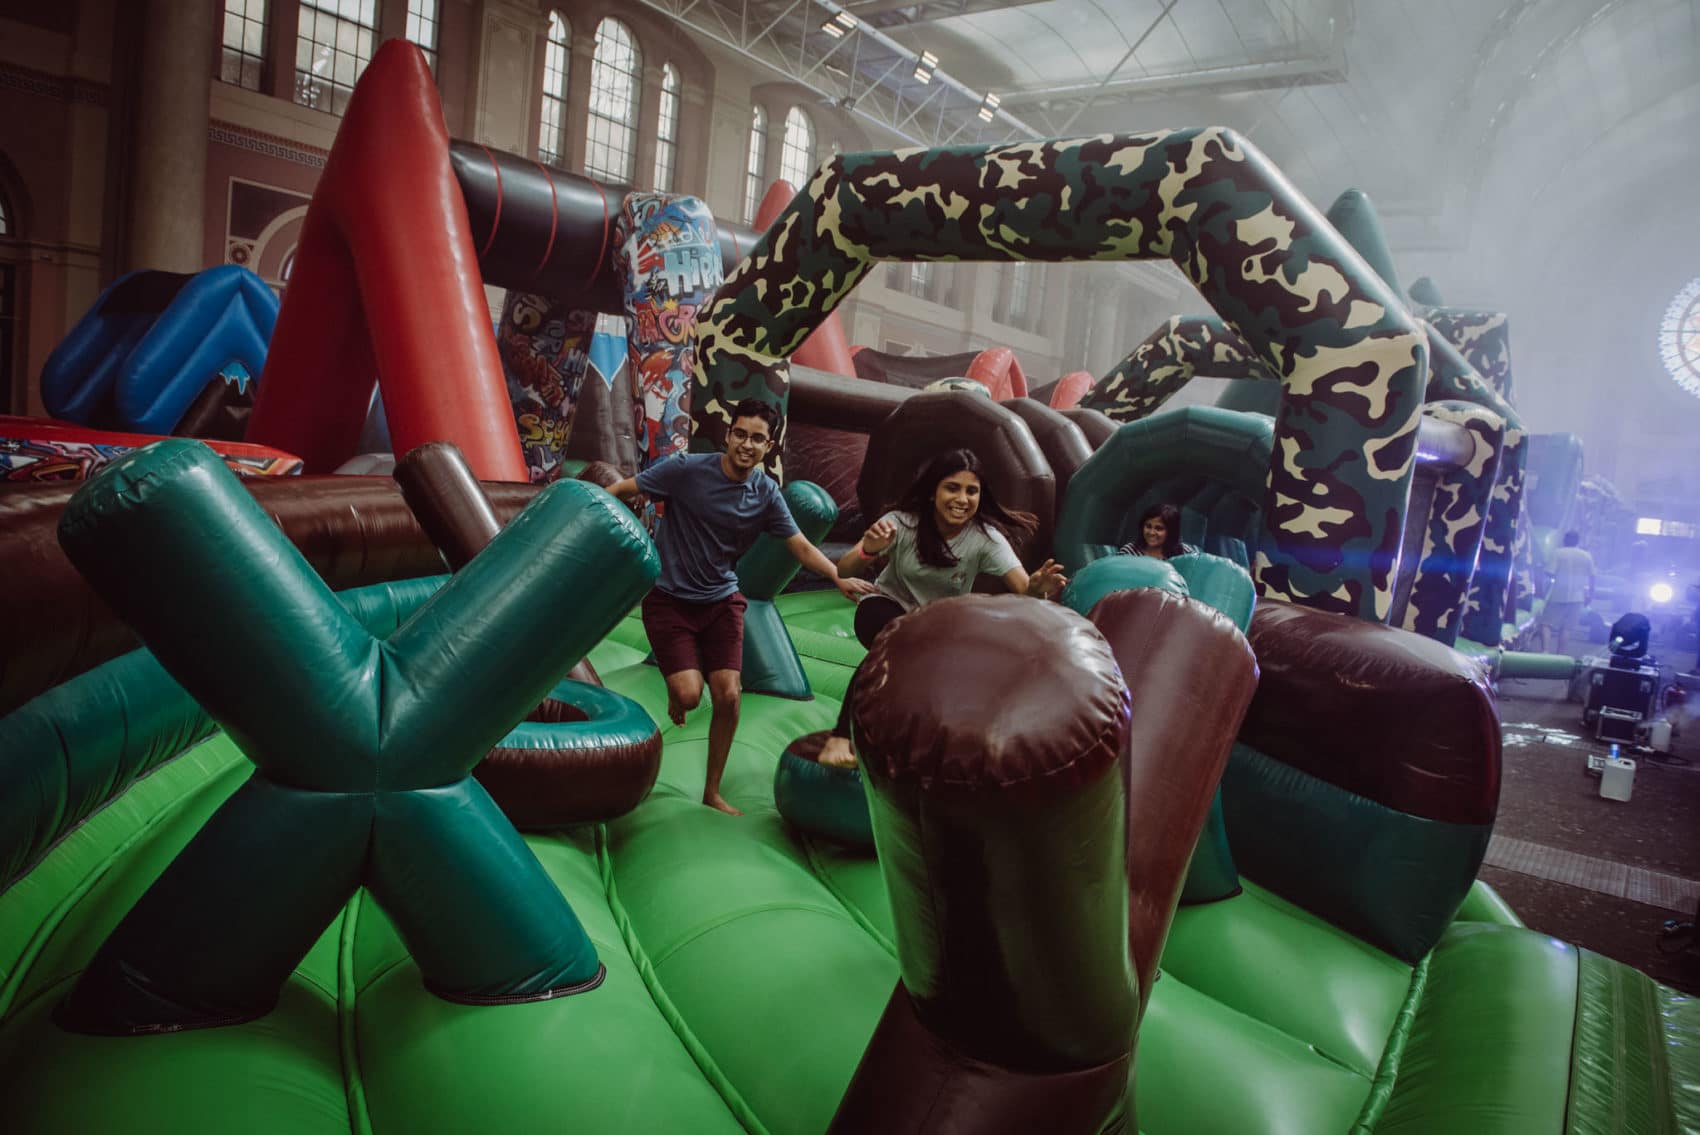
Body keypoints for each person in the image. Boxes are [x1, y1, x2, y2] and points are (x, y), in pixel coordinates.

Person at [606, 399, 875, 815]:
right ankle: (680, 692)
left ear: (769, 446)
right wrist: (592, 516)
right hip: (670, 600)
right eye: (741, 434)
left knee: (730, 695)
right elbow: (624, 489)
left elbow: (800, 545)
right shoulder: (686, 470)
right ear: (729, 435)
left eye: (758, 439)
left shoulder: (765, 492)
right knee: (690, 695)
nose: (747, 445)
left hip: (721, 600)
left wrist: (837, 575)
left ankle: (712, 790)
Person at [816, 449, 1067, 769]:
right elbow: (845, 570)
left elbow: (1025, 591)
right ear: (933, 492)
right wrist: (868, 550)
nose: (962, 499)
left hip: (939, 626)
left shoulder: (985, 538)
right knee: (898, 640)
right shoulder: (901, 523)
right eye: (952, 488)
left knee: (936, 667)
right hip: (885, 606)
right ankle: (839, 738)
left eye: (971, 491)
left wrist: (1037, 587)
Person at [1535, 530, 1595, 657]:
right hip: (1577, 597)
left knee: (1546, 623)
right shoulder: (1586, 555)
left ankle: (1545, 652)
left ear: (1565, 540)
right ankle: (1560, 655)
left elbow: (1549, 572)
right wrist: (1590, 593)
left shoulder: (1558, 553)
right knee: (1567, 628)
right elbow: (1592, 576)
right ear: (1578, 541)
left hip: (1558, 595)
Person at [1117, 502, 1192, 560]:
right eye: (1148, 526)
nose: (1151, 532)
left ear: (1171, 532)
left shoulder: (1184, 553)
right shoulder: (1129, 552)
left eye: (1159, 528)